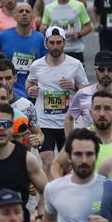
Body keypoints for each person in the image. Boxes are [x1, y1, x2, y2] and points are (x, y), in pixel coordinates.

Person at [25, 26, 89, 173]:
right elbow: (29, 83)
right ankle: (49, 194)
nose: (55, 46)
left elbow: (86, 91)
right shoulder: (37, 65)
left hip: (66, 122)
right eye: (52, 43)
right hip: (44, 121)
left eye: (59, 42)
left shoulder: (75, 64)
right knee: (47, 162)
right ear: (46, 43)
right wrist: (30, 90)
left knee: (67, 163)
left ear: (64, 43)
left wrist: (74, 87)